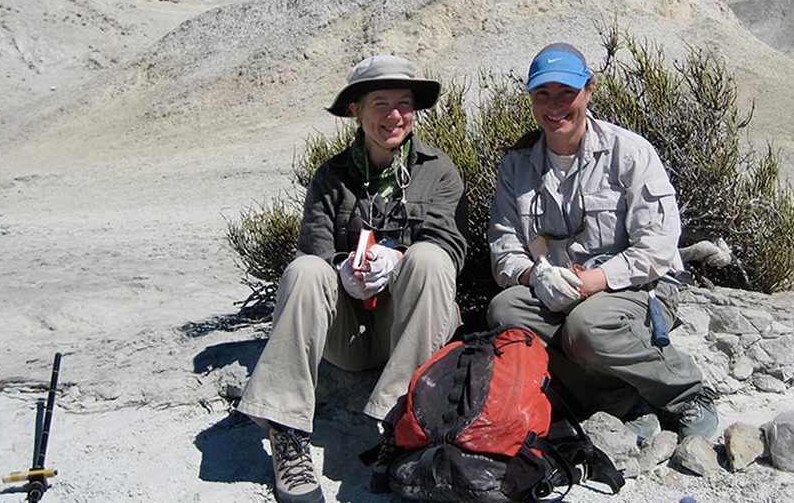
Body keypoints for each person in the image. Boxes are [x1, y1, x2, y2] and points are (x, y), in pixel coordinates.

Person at [238, 55, 467, 503]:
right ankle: (286, 431)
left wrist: (396, 260)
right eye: (380, 103)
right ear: (355, 112)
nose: (394, 116)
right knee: (305, 270)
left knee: (431, 259)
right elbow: (315, 250)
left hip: (406, 330)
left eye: (404, 103)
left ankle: (403, 425)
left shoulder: (439, 170)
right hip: (346, 336)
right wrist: (343, 269)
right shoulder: (330, 177)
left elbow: (451, 246)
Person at [486, 42, 717, 440]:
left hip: (636, 288)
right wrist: (535, 277)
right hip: (555, 292)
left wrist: (595, 281)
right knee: (504, 310)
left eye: (566, 94)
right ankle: (621, 402)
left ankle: (686, 392)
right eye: (543, 94)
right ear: (531, 98)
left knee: (586, 325)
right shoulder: (517, 165)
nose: (554, 106)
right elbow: (505, 248)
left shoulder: (628, 152)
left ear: (589, 90)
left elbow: (658, 246)